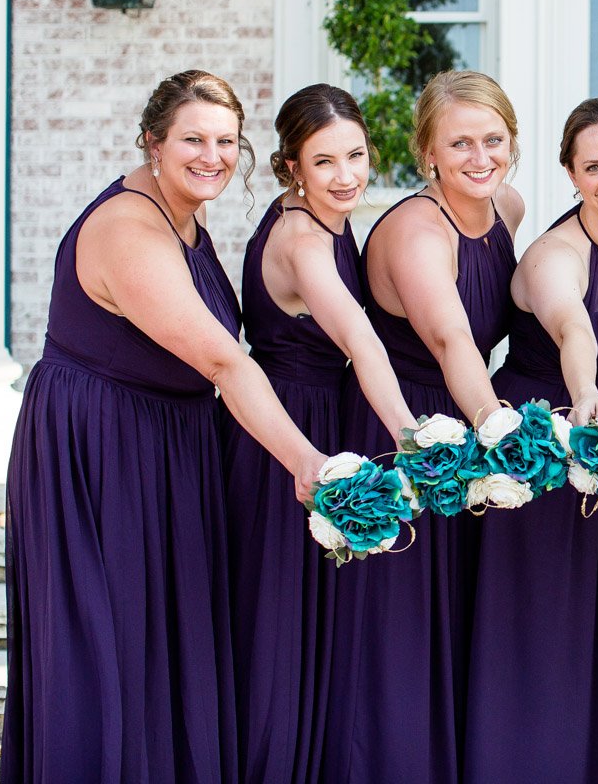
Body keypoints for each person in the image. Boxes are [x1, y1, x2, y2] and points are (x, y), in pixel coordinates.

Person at [3, 70, 327, 784]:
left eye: (225, 142)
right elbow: (221, 359)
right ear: (153, 142)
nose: (211, 155)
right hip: (100, 445)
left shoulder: (188, 212)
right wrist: (308, 462)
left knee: (166, 644)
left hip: (171, 441)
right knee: (110, 648)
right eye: (192, 140)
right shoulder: (128, 226)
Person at [319, 70, 524, 783]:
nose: (479, 157)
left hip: (461, 423)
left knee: (454, 616)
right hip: (397, 426)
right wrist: (503, 431)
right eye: (459, 143)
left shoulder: (509, 209)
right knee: (398, 627)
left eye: (493, 140)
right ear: (427, 153)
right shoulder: (414, 227)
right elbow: (449, 338)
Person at [468, 95, 598, 784]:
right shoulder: (556, 253)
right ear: (569, 172)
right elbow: (575, 328)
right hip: (546, 451)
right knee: (540, 632)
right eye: (593, 166)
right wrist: (586, 396)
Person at [220, 84, 417, 784]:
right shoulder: (303, 238)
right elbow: (363, 344)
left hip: (321, 419)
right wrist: (415, 443)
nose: (346, 175)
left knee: (316, 622)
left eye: (356, 155)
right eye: (324, 160)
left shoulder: (330, 217)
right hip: (283, 439)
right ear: (291, 167)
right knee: (280, 626)